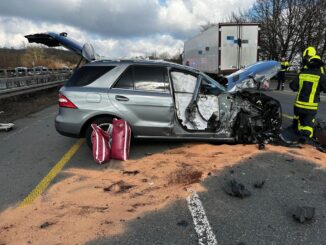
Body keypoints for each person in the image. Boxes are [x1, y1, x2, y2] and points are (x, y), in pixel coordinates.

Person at [290, 55, 326, 143]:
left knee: (299, 121)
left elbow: (293, 86)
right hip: (310, 107)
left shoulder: (302, 74)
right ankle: (304, 137)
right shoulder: (321, 76)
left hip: (298, 105)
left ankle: (296, 131)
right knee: (308, 125)